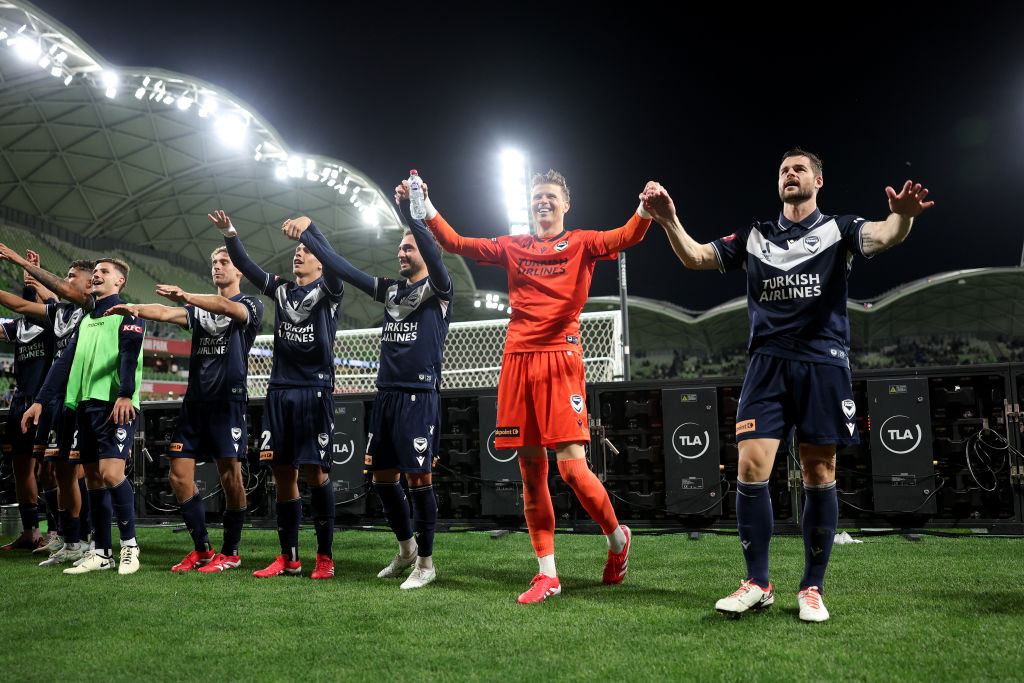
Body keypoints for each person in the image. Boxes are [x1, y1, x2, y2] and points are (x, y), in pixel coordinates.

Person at [642, 148, 933, 622]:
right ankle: (757, 582)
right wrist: (670, 221)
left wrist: (901, 218)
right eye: (783, 170)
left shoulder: (839, 229)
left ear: (819, 181)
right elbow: (696, 257)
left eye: (799, 169)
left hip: (823, 363)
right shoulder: (755, 236)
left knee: (819, 472)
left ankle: (812, 588)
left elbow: (883, 236)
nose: (790, 175)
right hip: (767, 366)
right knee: (751, 466)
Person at [414, 170, 653, 603]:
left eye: (550, 196)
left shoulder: (581, 242)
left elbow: (625, 237)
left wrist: (644, 209)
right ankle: (547, 573)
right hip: (517, 361)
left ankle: (618, 540)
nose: (542, 202)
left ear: (565, 204)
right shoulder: (514, 246)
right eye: (537, 197)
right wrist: (426, 207)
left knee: (573, 469)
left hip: (561, 359)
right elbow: (457, 243)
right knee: (530, 471)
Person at [280, 193, 452, 590]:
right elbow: (341, 267)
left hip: (418, 398)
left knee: (419, 481)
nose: (401, 252)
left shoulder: (440, 288)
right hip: (387, 396)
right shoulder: (390, 290)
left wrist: (416, 213)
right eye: (400, 247)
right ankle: (407, 549)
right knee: (382, 480)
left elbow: (432, 252)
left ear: (427, 249)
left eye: (409, 246)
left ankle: (426, 564)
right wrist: (313, 230)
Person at [104, 246, 262, 573]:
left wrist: (188, 296)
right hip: (195, 403)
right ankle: (203, 549)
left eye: (224, 262)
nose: (217, 266)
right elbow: (163, 312)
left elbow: (222, 305)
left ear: (240, 272)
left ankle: (231, 552)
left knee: (230, 475)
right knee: (178, 475)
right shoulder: (197, 311)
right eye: (214, 262)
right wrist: (131, 307)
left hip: (227, 403)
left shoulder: (251, 305)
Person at [211, 209, 343, 579]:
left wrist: (312, 230)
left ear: (320, 261)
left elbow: (333, 261)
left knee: (316, 474)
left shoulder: (330, 290)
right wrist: (230, 234)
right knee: (282, 475)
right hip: (280, 391)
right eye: (297, 249)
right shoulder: (281, 288)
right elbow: (247, 266)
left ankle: (325, 558)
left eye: (307, 251)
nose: (298, 253)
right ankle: (290, 557)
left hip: (314, 391)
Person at [23, 257, 146, 575]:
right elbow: (63, 362)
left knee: (111, 473)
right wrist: (40, 401)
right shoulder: (87, 319)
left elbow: (130, 356)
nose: (97, 276)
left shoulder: (127, 312)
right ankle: (102, 553)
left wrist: (125, 394)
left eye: (105, 272)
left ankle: (129, 546)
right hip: (84, 405)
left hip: (115, 403)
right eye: (96, 272)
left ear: (119, 281)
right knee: (93, 478)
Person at [0, 247, 95, 566]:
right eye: (66, 276)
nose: (67, 281)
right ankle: (71, 538)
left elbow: (51, 292)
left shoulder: (92, 307)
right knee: (57, 469)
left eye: (73, 277)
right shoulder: (60, 313)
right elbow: (22, 302)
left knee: (84, 472)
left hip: (82, 398)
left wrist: (21, 262)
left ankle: (85, 537)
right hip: (51, 400)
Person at [0, 251, 55, 550]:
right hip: (20, 402)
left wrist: (34, 273)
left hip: (44, 402)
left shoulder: (50, 325)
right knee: (21, 468)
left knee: (49, 469)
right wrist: (31, 273)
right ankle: (30, 531)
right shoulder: (18, 327)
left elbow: (50, 300)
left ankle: (57, 532)